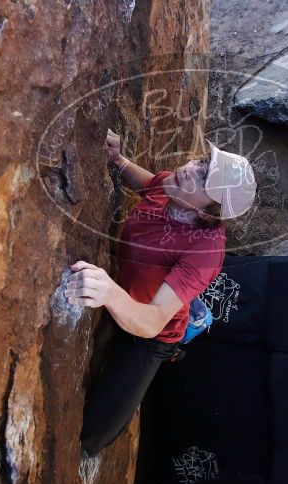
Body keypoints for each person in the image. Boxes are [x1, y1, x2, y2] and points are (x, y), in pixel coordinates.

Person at [72, 129, 256, 454]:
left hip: (152, 335)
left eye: (202, 179)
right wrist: (118, 160)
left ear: (207, 212)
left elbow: (155, 319)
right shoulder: (173, 188)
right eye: (201, 162)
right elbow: (146, 182)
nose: (188, 169)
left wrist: (111, 295)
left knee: (94, 434)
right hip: (127, 297)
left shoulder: (205, 250)